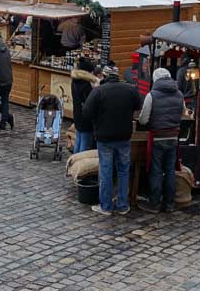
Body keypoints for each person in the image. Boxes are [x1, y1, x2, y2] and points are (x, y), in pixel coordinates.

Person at [81, 64, 142, 216]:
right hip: (124, 136)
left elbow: (86, 112)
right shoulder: (129, 89)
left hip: (105, 137)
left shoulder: (99, 91)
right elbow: (138, 105)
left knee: (106, 171)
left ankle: (106, 206)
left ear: (105, 76)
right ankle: (122, 205)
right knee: (123, 171)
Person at [138, 67, 183, 213]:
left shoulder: (152, 95)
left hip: (157, 136)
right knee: (170, 170)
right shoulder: (179, 94)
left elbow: (144, 120)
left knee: (156, 170)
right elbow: (182, 114)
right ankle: (169, 204)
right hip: (173, 136)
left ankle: (154, 203)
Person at [71, 57, 101, 153]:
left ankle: (74, 161)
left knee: (78, 140)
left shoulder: (75, 80)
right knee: (85, 144)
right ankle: (79, 163)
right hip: (86, 118)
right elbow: (90, 101)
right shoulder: (85, 84)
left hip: (77, 114)